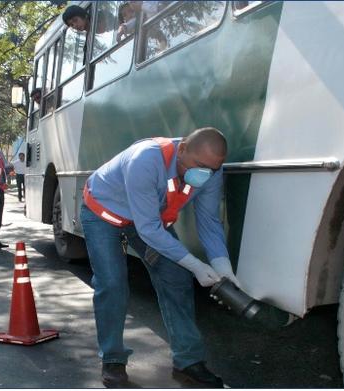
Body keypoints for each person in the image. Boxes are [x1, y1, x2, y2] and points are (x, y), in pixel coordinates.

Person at [80, 127, 238, 388]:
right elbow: (148, 230)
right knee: (112, 284)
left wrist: (223, 266)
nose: (205, 174)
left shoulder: (211, 172)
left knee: (176, 277)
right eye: (199, 166)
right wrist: (196, 264)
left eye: (212, 168)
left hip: (148, 220)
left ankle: (188, 361)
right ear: (182, 148)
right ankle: (113, 359)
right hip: (103, 214)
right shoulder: (146, 159)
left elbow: (209, 222)